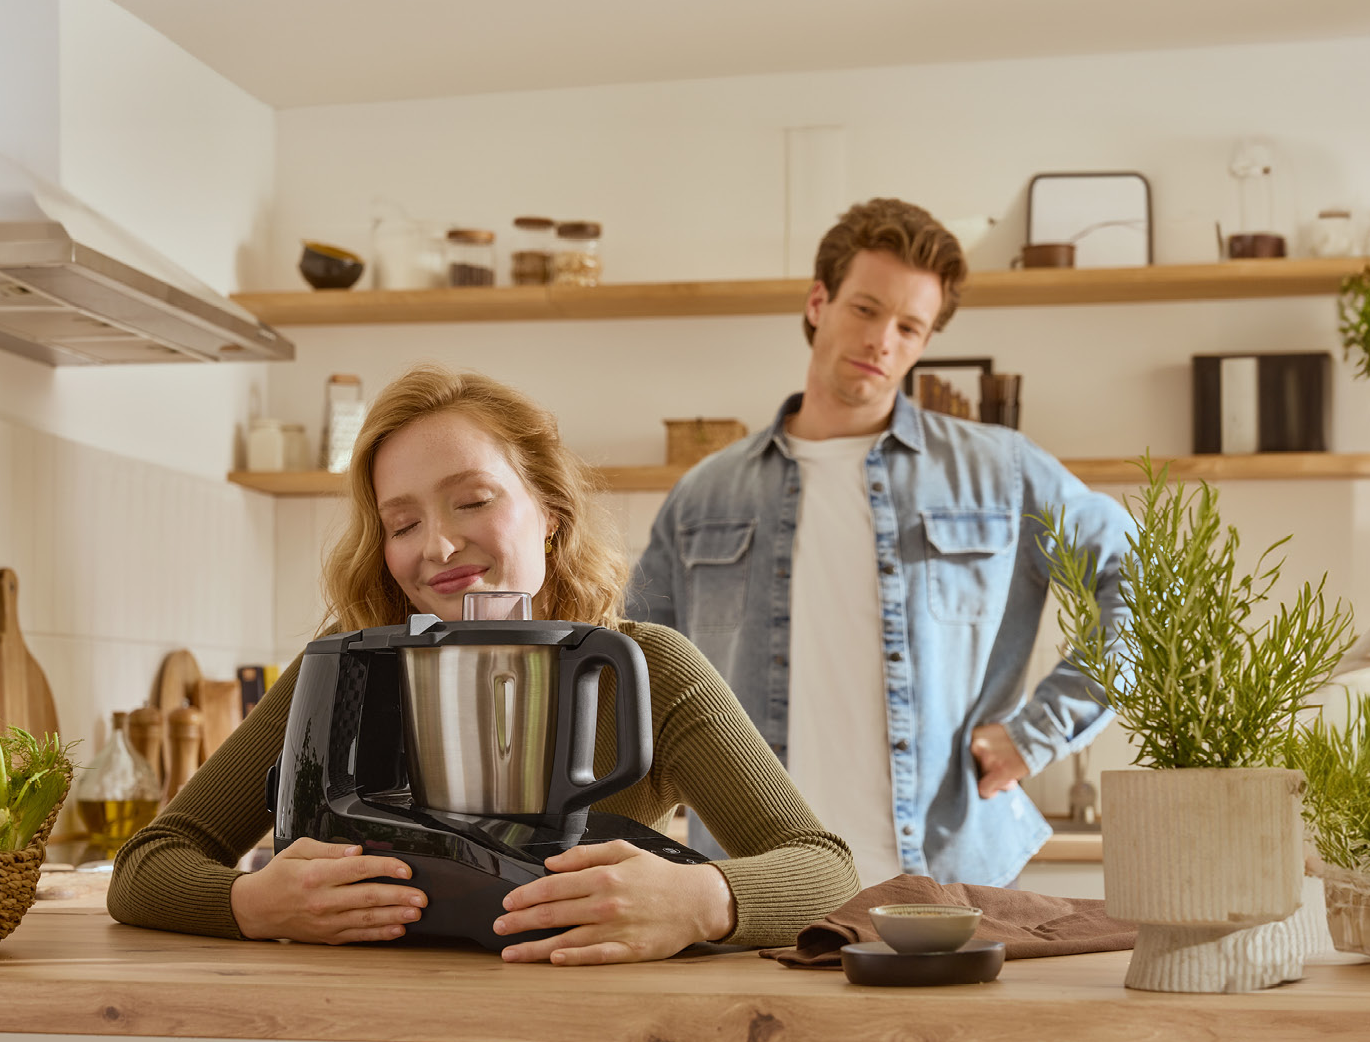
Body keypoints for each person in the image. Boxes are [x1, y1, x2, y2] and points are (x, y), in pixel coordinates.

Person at [109, 365, 857, 965]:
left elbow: (825, 871)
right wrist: (251, 904)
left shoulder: (650, 667)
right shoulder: (345, 668)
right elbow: (148, 866)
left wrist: (700, 901)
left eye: (471, 501)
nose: (435, 545)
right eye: (402, 523)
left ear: (549, 512)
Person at [629, 198, 1134, 889]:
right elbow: (633, 679)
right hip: (757, 889)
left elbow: (1146, 581)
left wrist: (1039, 732)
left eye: (909, 326)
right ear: (818, 302)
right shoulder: (706, 494)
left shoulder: (1001, 472)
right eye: (865, 310)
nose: (882, 341)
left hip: (949, 886)